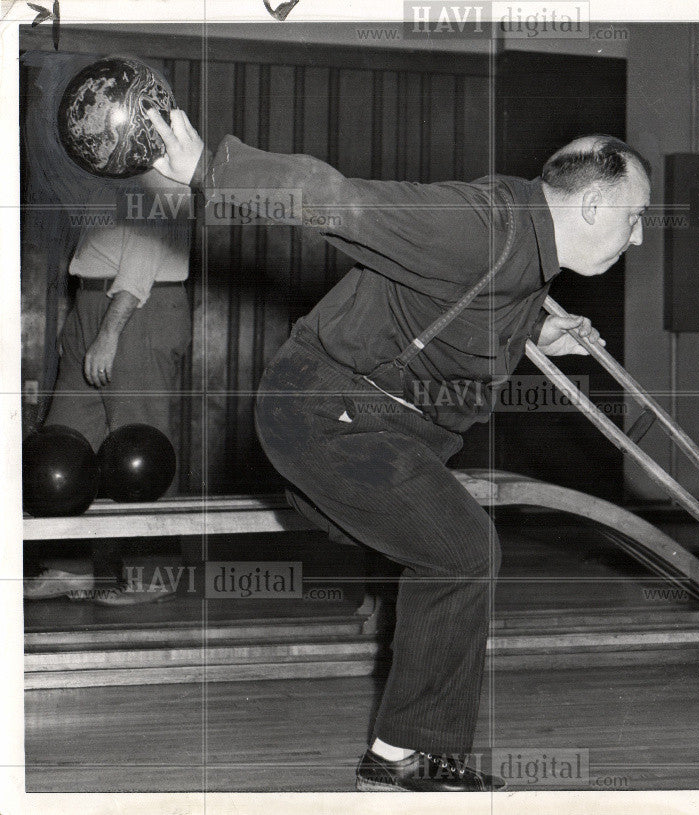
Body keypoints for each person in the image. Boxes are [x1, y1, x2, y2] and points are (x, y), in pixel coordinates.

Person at [148, 107, 650, 791]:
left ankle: (411, 751)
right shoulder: (480, 225)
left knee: (454, 546)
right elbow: (336, 200)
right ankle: (398, 757)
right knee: (462, 547)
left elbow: (463, 307)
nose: (640, 234)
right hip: (324, 408)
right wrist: (211, 170)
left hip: (377, 421)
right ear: (594, 202)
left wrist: (535, 326)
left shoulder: (527, 252)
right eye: (635, 217)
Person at [23, 171, 193, 606]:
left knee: (140, 446)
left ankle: (152, 574)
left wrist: (109, 331)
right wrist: (79, 318)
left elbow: (143, 253)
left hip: (139, 308)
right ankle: (71, 567)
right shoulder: (108, 174)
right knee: (64, 440)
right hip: (93, 302)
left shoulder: (165, 174)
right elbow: (97, 247)